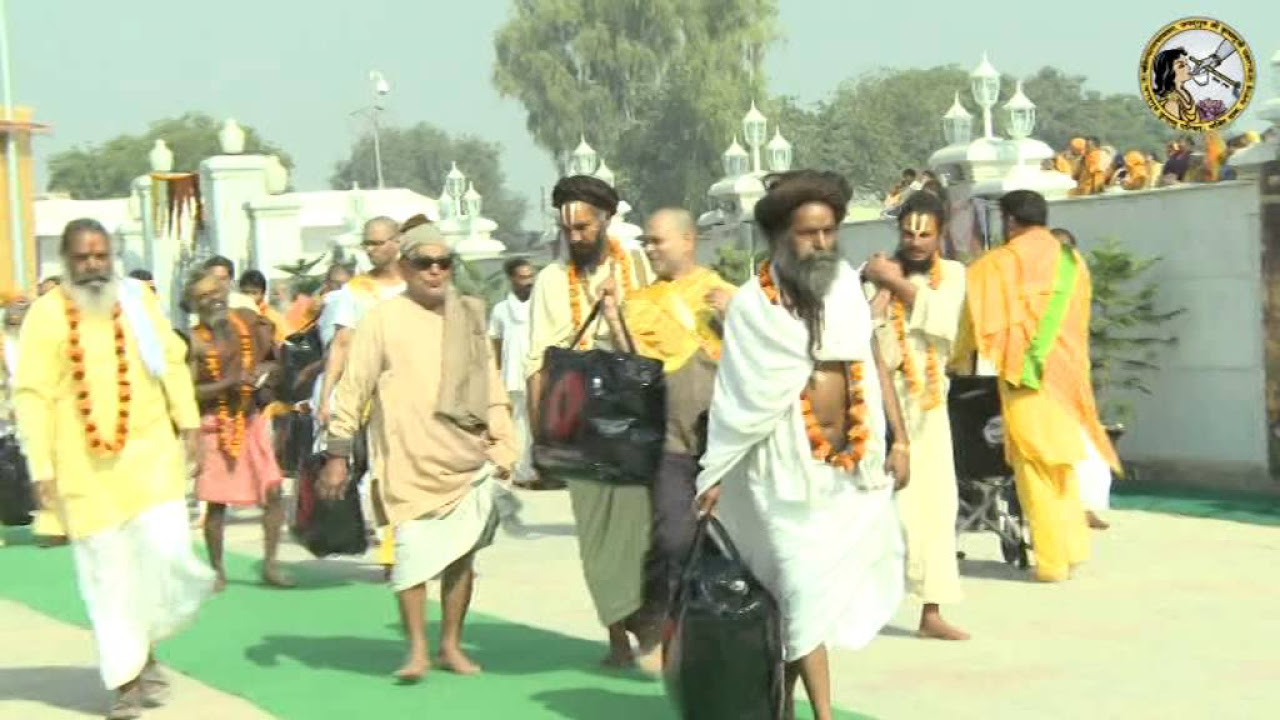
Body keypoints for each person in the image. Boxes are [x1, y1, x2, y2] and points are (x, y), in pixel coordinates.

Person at [697, 170, 909, 720]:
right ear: (778, 238)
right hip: (781, 473)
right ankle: (822, 714)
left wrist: (900, 439)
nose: (821, 244)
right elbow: (737, 400)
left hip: (846, 469)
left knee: (800, 604)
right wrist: (715, 474)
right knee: (801, 592)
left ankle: (780, 706)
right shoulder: (751, 306)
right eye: (808, 233)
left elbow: (870, 362)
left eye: (830, 232)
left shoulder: (843, 289)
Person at [15, 219, 214, 719]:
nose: (94, 266)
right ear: (66, 261)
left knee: (167, 555)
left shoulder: (137, 302)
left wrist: (189, 422)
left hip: (151, 459)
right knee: (108, 578)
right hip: (83, 471)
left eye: (101, 255)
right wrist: (40, 465)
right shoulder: (46, 316)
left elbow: (170, 361)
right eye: (83, 257)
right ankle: (126, 679)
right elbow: (32, 395)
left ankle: (145, 644)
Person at [320, 223, 516, 681]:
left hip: (465, 455)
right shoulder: (382, 320)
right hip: (406, 458)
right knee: (411, 555)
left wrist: (505, 442)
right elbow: (353, 388)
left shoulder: (468, 316)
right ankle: (417, 651)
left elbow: (490, 383)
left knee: (462, 554)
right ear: (405, 266)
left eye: (443, 263)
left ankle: (450, 644)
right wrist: (337, 454)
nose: (434, 271)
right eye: (424, 263)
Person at [524, 174, 657, 668]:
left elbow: (654, 336)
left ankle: (644, 618)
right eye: (567, 229)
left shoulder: (637, 264)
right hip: (578, 423)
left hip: (633, 418)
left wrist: (618, 313)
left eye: (583, 226)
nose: (575, 236)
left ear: (606, 220)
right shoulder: (551, 281)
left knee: (642, 530)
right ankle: (617, 637)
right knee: (596, 536)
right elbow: (537, 361)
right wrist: (540, 442)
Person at [955, 192, 1120, 582]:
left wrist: (955, 360)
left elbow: (971, 322)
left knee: (1034, 466)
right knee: (1061, 464)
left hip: (1025, 375)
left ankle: (1052, 562)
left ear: (1010, 221)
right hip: (1068, 376)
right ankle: (1072, 549)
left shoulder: (995, 265)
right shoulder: (1071, 261)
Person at [604, 207, 735, 621]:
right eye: (646, 241)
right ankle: (669, 623)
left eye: (658, 240)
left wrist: (736, 319)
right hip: (669, 441)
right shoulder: (639, 304)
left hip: (726, 443)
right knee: (674, 537)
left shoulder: (725, 293)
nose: (650, 249)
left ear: (689, 240)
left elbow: (757, 363)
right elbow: (631, 372)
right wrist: (611, 316)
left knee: (733, 542)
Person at [862, 191, 968, 641]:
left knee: (935, 510)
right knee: (875, 511)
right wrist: (882, 288)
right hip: (877, 405)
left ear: (941, 234)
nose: (917, 241)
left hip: (929, 408)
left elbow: (944, 319)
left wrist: (895, 280)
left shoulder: (955, 275)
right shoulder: (875, 274)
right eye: (909, 232)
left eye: (926, 233)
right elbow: (859, 330)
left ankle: (931, 612)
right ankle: (857, 608)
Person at [186, 270, 293, 592]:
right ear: (193, 304)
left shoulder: (249, 322)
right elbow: (189, 391)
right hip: (215, 424)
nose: (212, 299)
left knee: (273, 491)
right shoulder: (192, 340)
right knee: (216, 503)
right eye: (203, 297)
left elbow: (275, 362)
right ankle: (217, 570)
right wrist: (229, 383)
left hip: (251, 420)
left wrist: (264, 371)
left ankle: (271, 564)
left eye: (216, 291)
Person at [315, 216, 407, 574]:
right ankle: (390, 554)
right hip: (372, 398)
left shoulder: (418, 283)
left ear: (397, 241)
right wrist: (326, 397)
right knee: (383, 478)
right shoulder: (355, 292)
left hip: (416, 394)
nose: (372, 250)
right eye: (367, 244)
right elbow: (340, 344)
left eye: (378, 242)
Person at [1048, 227, 1113, 531]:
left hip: (1073, 378)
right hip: (1041, 382)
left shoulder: (1077, 287)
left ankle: (1086, 505)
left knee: (1087, 444)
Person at [488, 257, 537, 488]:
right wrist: (495, 374)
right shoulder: (500, 310)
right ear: (511, 279)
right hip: (513, 374)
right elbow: (495, 342)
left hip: (537, 372)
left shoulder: (541, 304)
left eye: (531, 276)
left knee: (536, 425)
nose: (529, 281)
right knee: (518, 425)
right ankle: (521, 472)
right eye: (523, 277)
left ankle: (537, 470)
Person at [238, 269, 288, 345]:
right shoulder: (232, 315)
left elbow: (280, 347)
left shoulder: (273, 319)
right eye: (245, 292)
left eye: (254, 293)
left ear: (263, 294)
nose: (249, 297)